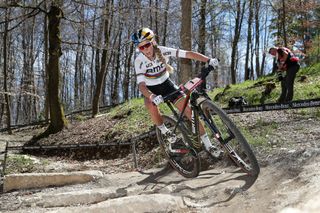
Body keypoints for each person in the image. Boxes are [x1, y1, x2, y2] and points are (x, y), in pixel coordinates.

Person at [131, 27, 222, 158]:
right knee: (150, 105)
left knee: (190, 112)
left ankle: (209, 145)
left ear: (153, 42)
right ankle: (164, 130)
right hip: (151, 90)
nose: (145, 49)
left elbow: (188, 54)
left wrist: (208, 60)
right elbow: (141, 85)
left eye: (147, 45)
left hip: (167, 85)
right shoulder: (139, 60)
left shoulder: (163, 51)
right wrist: (151, 96)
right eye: (141, 48)